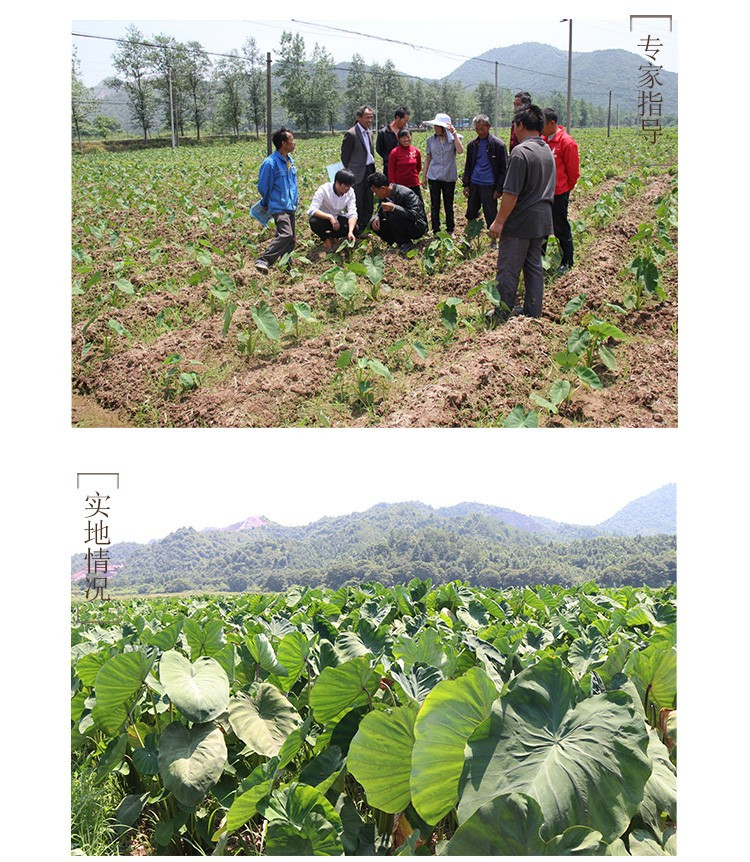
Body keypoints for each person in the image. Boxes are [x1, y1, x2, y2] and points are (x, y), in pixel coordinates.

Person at [488, 105, 555, 320]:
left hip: (521, 221)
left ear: (521, 125)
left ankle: (502, 312)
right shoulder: (546, 150)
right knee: (533, 267)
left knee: (508, 268)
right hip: (541, 220)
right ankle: (532, 311)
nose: (514, 129)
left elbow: (511, 194)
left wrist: (498, 222)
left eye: (514, 125)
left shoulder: (520, 152)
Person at [541, 107, 580, 273]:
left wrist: (564, 188)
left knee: (560, 227)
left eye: (542, 123)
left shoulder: (566, 142)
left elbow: (573, 172)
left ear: (552, 123)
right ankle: (539, 260)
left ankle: (567, 261)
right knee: (541, 228)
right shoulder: (542, 140)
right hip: (542, 192)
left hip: (558, 192)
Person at [255, 127, 298, 273]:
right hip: (278, 205)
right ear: (283, 143)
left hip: (290, 204)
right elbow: (263, 186)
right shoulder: (270, 163)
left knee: (291, 240)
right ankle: (264, 260)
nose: (294, 143)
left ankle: (287, 266)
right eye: (291, 140)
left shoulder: (289, 161)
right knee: (286, 234)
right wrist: (266, 202)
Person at [462, 114, 507, 237]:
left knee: (491, 214)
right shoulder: (472, 145)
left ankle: (493, 239)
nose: (480, 132)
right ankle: (469, 236)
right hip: (475, 182)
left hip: (489, 184)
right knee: (471, 212)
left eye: (482, 128)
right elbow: (468, 165)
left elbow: (504, 169)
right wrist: (466, 184)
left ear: (489, 127)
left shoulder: (498, 145)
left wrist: (499, 189)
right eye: (477, 129)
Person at [421, 112, 464, 234]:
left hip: (449, 176)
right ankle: (436, 230)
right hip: (434, 176)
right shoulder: (431, 140)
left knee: (448, 205)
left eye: (437, 126)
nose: (435, 128)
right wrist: (424, 176)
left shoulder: (454, 140)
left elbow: (460, 151)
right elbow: (428, 158)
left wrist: (454, 134)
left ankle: (450, 229)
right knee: (435, 204)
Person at [367, 171, 427, 253]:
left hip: (416, 226)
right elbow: (379, 210)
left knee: (393, 215)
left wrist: (394, 208)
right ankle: (397, 241)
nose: (375, 194)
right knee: (373, 223)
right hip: (400, 224)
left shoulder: (406, 193)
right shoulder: (384, 195)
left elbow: (415, 214)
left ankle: (406, 243)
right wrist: (376, 218)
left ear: (383, 188)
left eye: (375, 191)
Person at [341, 105, 376, 233]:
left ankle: (365, 227)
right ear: (359, 117)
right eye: (367, 117)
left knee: (369, 200)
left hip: (369, 170)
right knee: (357, 202)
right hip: (356, 173)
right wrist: (351, 171)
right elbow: (345, 157)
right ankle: (356, 230)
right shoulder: (351, 134)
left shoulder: (370, 133)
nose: (370, 120)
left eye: (371, 117)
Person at [307, 169, 358, 249]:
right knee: (313, 222)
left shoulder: (350, 192)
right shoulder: (324, 189)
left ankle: (334, 236)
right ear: (337, 183)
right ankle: (326, 238)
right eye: (346, 186)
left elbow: (352, 213)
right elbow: (312, 209)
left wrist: (350, 231)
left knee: (354, 228)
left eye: (350, 186)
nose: (348, 188)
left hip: (337, 219)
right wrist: (330, 217)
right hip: (323, 218)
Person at [388, 128, 422, 199]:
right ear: (399, 139)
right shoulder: (394, 152)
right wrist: (393, 185)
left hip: (414, 183)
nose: (406, 139)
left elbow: (418, 167)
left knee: (418, 205)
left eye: (408, 137)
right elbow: (391, 171)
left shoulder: (416, 151)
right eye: (403, 137)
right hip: (400, 186)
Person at [376, 107, 411, 177]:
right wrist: (389, 158)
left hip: (404, 167)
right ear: (397, 118)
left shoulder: (406, 132)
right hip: (389, 167)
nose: (406, 123)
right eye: (405, 121)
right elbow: (379, 149)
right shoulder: (383, 133)